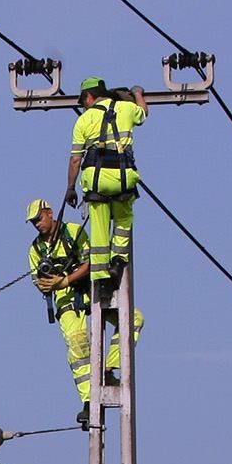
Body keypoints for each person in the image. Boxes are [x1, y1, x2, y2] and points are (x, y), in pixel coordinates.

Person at [28, 197, 140, 422]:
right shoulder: (36, 249)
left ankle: (109, 369)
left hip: (88, 290)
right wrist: (48, 283)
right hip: (64, 299)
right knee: (77, 343)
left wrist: (66, 279)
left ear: (49, 213)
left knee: (134, 319)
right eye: (33, 222)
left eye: (39, 219)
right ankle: (90, 401)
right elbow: (36, 280)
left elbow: (92, 262)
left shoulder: (73, 233)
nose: (37, 224)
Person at [63, 77, 146, 312]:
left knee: (99, 232)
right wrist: (138, 92)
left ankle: (102, 282)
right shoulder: (126, 109)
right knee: (123, 221)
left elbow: (75, 159)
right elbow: (143, 113)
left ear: (89, 97)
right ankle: (119, 261)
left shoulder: (83, 120)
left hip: (97, 183)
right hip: (122, 180)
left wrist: (71, 188)